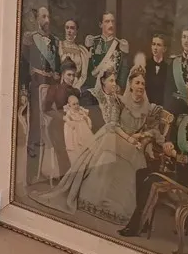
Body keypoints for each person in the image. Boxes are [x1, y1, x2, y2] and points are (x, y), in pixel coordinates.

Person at [30, 66, 167, 226]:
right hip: (116, 135)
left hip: (133, 144)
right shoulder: (119, 101)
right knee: (108, 150)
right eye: (137, 83)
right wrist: (129, 138)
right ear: (130, 84)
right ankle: (95, 200)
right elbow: (114, 125)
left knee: (129, 159)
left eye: (142, 84)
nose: (140, 86)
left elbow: (151, 130)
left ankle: (118, 206)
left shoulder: (148, 107)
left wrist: (141, 136)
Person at [119, 82, 188, 238]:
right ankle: (145, 221)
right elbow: (175, 143)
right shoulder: (183, 119)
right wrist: (169, 145)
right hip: (180, 171)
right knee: (141, 174)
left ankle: (135, 226)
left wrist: (178, 156)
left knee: (151, 180)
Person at [19, 6, 60, 158]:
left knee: (50, 115)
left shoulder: (55, 40)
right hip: (36, 82)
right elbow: (24, 65)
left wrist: (57, 73)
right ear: (37, 19)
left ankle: (48, 146)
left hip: (51, 83)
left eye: (48, 17)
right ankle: (32, 145)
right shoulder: (30, 38)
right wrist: (24, 88)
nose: (47, 20)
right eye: (43, 17)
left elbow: (57, 63)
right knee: (35, 115)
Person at [41, 60, 82, 176]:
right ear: (63, 74)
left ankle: (79, 175)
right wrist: (63, 117)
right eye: (69, 75)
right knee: (64, 147)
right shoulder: (54, 88)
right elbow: (46, 109)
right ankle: (65, 177)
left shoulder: (76, 92)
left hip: (73, 124)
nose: (72, 78)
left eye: (73, 75)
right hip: (58, 125)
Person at [83, 12, 130, 91]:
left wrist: (119, 86)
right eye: (107, 21)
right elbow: (87, 69)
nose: (111, 25)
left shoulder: (120, 45)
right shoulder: (93, 42)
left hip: (112, 88)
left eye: (112, 21)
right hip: (94, 87)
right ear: (100, 25)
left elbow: (124, 69)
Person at [137, 33, 169, 107]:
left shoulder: (168, 68)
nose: (155, 48)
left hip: (161, 107)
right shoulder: (144, 65)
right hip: (144, 105)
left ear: (164, 49)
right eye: (153, 44)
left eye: (158, 45)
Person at [62, 94, 95, 165]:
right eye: (74, 104)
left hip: (83, 128)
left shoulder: (81, 111)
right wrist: (71, 123)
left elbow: (87, 118)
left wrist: (87, 121)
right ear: (69, 105)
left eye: (77, 104)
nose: (76, 106)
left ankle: (88, 159)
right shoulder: (69, 112)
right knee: (77, 146)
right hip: (75, 130)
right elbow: (67, 119)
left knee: (88, 143)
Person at [58, 19, 89, 91]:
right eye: (67, 28)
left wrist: (76, 87)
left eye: (72, 28)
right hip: (61, 83)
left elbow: (83, 75)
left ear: (76, 31)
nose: (69, 30)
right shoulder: (59, 46)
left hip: (76, 85)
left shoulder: (81, 50)